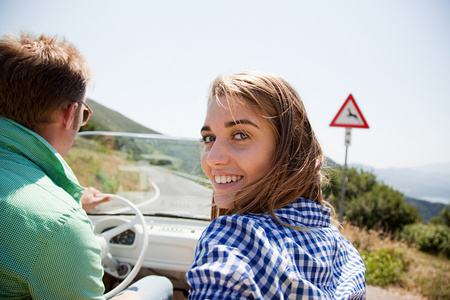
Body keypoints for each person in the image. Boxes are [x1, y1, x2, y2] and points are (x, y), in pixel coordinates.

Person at [0, 32, 173, 300]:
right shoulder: (59, 226)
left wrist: (72, 204)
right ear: (71, 114)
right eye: (84, 114)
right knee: (158, 284)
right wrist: (66, 216)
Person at [186, 71, 366, 299]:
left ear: (289, 150)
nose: (212, 159)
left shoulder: (234, 239)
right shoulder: (346, 254)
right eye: (209, 138)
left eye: (240, 135)